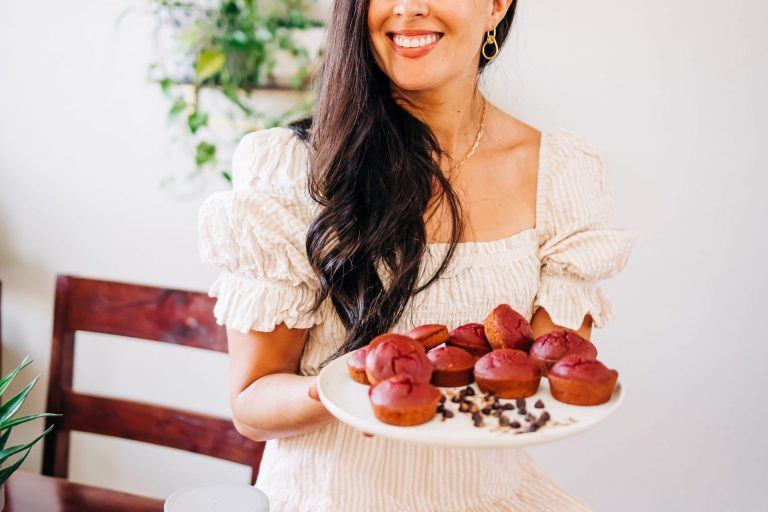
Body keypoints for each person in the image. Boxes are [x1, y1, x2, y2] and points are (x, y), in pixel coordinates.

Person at [198, 0, 634, 510]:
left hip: (491, 497)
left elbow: (544, 375)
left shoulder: (560, 176)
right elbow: (252, 404)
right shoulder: (293, 168)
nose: (407, 7)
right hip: (329, 498)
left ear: (496, 6)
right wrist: (341, 390)